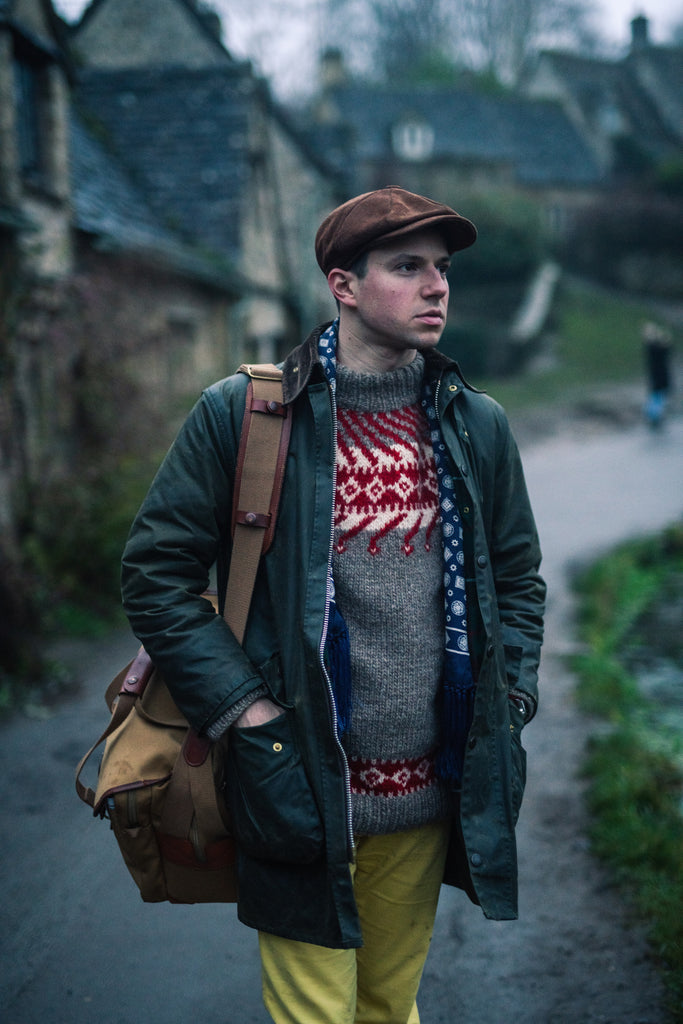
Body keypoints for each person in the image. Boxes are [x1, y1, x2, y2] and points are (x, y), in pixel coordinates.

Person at [121, 187, 546, 1024]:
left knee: (390, 1006)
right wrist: (246, 713)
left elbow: (517, 579)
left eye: (442, 269)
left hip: (430, 790)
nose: (436, 288)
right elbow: (155, 577)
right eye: (406, 267)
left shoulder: (476, 426)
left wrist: (513, 695)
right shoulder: (247, 416)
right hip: (296, 785)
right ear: (342, 286)